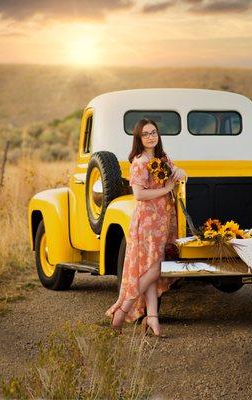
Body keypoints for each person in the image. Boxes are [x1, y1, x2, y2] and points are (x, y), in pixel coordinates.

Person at [105, 118, 187, 337]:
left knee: (152, 269)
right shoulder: (139, 162)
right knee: (155, 269)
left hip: (164, 220)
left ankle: (152, 319)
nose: (151, 136)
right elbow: (139, 194)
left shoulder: (162, 158)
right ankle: (121, 310)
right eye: (146, 134)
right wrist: (167, 188)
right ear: (139, 139)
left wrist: (179, 172)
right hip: (148, 221)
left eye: (154, 132)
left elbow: (177, 172)